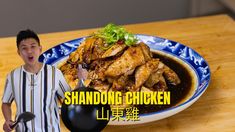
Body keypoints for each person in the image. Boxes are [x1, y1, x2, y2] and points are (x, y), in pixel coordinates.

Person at [1, 29, 71, 132]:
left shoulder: (55, 73)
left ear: (40, 49)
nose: (29, 51)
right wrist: (8, 120)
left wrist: (81, 80)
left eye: (33, 46)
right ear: (19, 52)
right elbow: (6, 103)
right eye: (24, 48)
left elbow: (71, 99)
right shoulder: (13, 76)